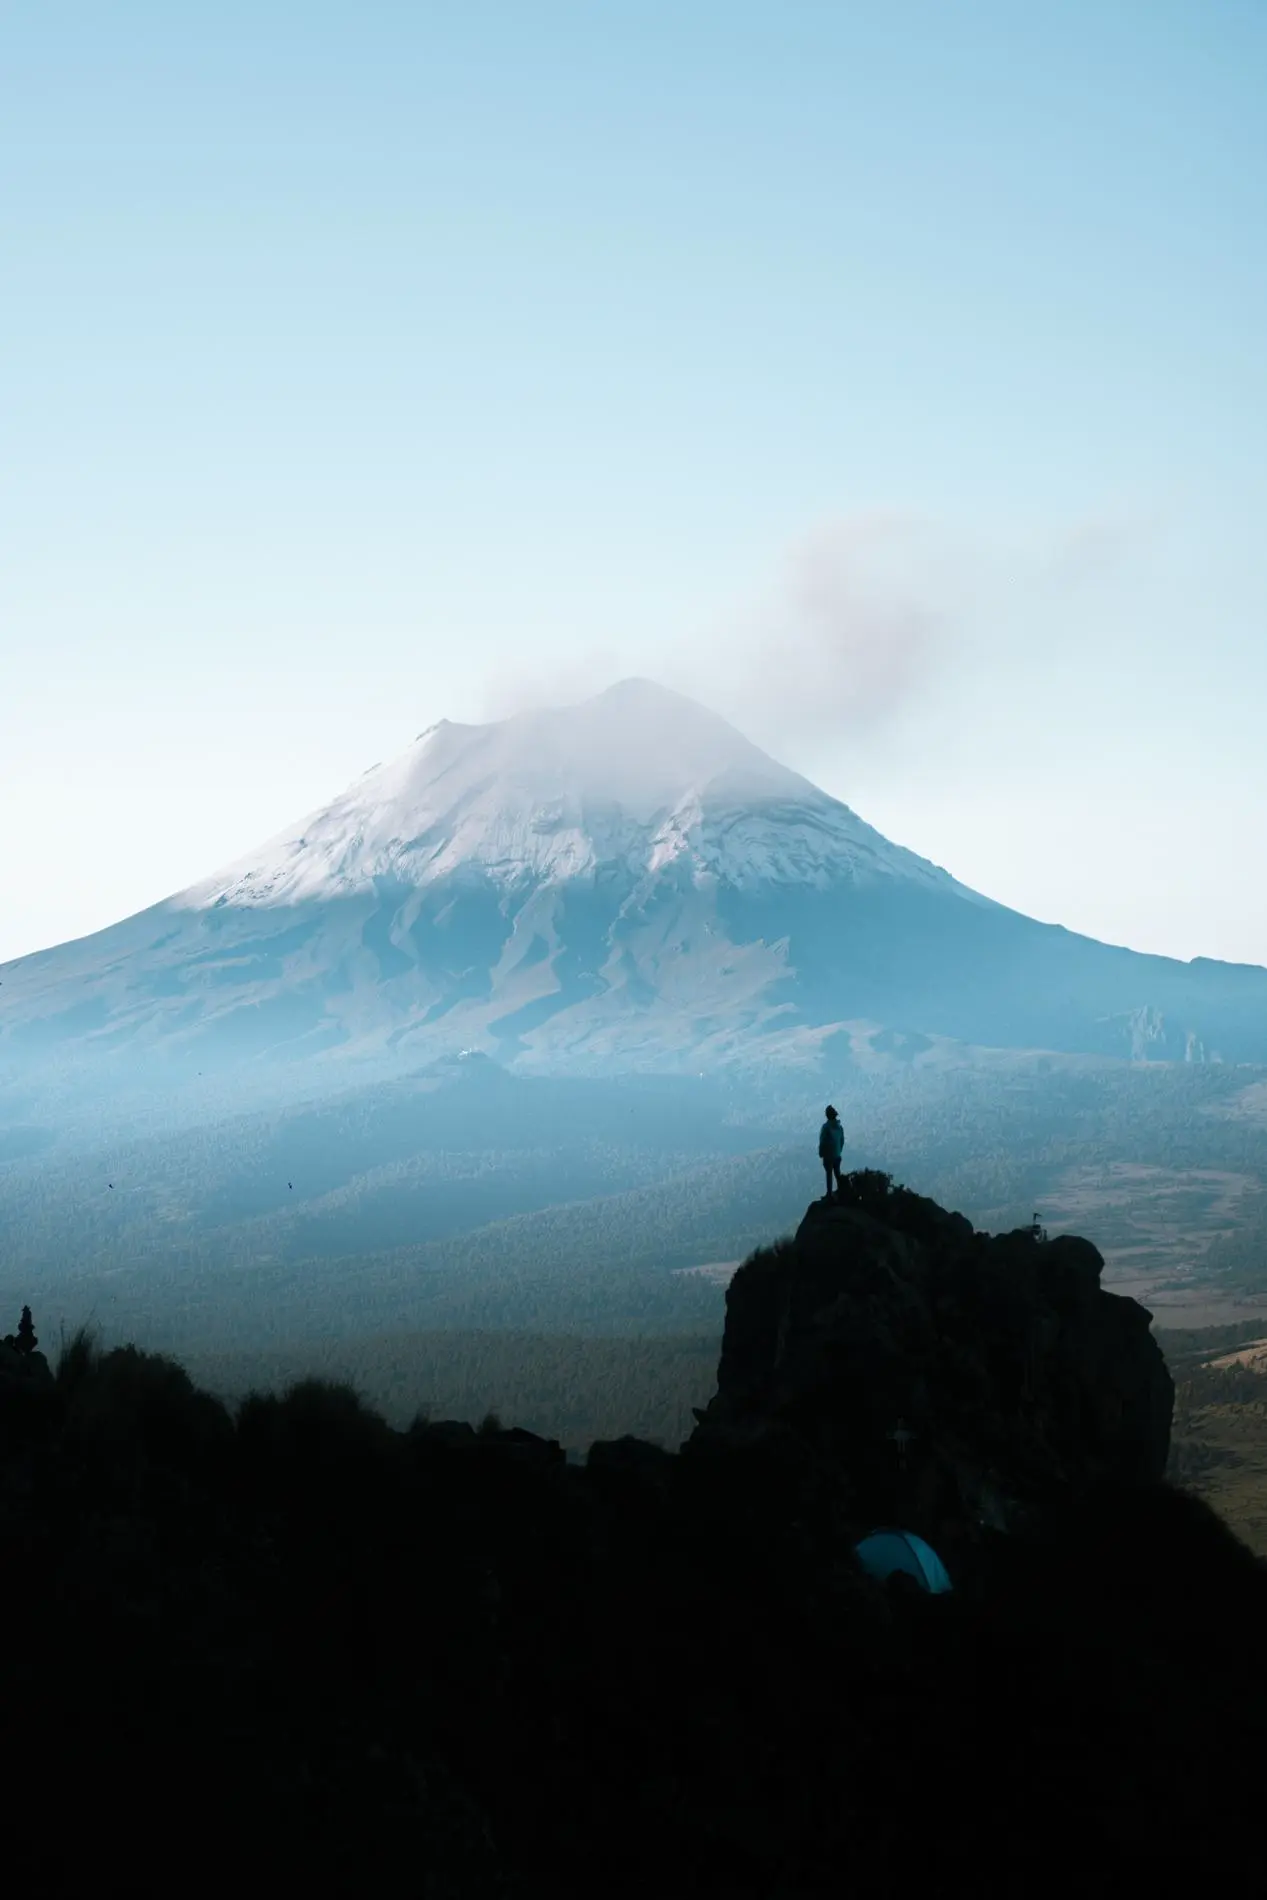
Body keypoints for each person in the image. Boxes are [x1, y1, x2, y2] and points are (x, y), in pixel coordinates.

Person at [818, 1105, 844, 1199]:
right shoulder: (839, 1127)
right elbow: (842, 1141)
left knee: (829, 1174)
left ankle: (829, 1194)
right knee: (837, 1173)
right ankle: (841, 1190)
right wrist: (838, 1151)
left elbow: (822, 1142)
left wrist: (821, 1153)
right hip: (837, 1155)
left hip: (828, 1156)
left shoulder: (825, 1127)